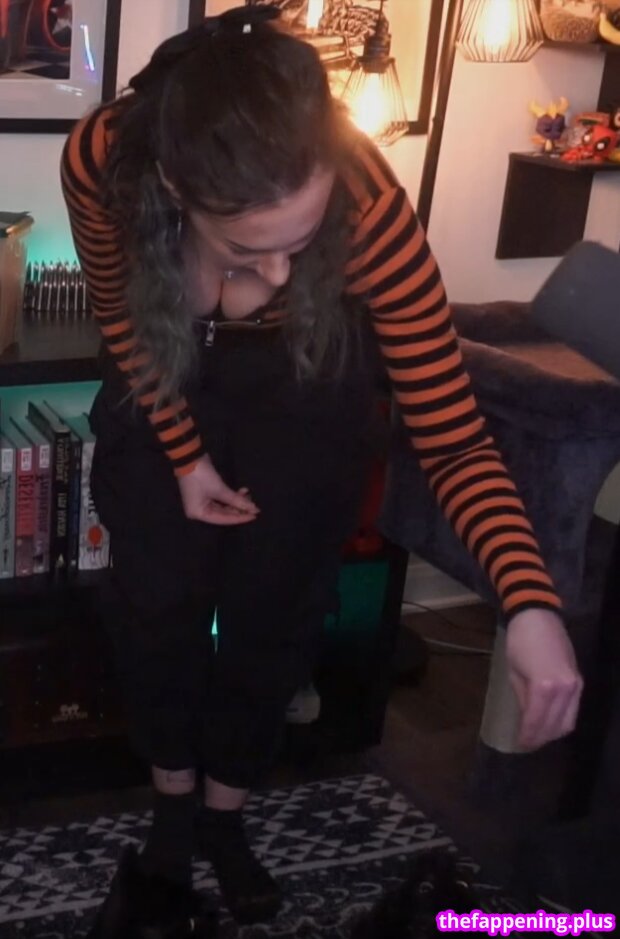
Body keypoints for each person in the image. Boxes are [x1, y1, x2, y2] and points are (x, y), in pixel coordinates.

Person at [60, 4, 583, 935]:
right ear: (176, 185)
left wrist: (530, 602)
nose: (280, 271)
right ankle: (173, 815)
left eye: (302, 242)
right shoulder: (105, 159)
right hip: (167, 366)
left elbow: (455, 437)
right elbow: (123, 315)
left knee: (275, 610)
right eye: (247, 246)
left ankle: (225, 816)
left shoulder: (372, 212)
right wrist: (183, 455)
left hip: (307, 381)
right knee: (156, 609)